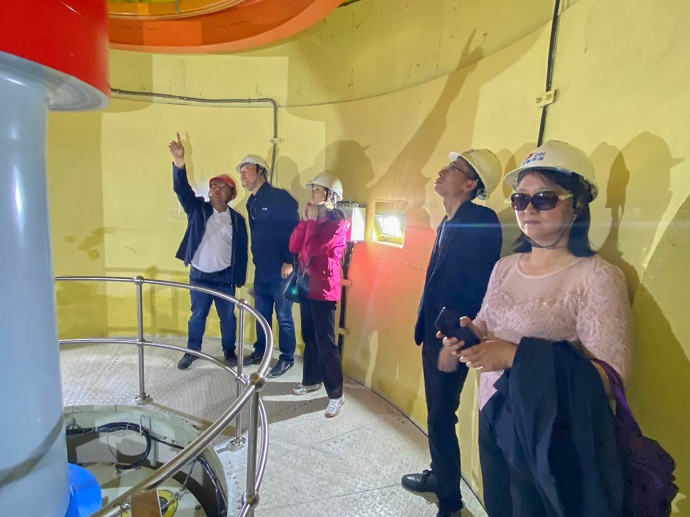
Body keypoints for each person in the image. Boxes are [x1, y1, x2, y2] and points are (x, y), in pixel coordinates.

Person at [440, 141, 633, 516]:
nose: (528, 209)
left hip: (550, 433)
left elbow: (611, 378)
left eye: (544, 199)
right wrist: (466, 335)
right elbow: (486, 321)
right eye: (520, 199)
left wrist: (514, 356)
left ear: (578, 204)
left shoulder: (597, 278)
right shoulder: (505, 267)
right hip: (493, 412)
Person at [402, 149, 503, 517]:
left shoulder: (482, 221)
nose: (442, 172)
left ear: (470, 184)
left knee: (442, 417)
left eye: (453, 168)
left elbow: (475, 293)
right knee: (437, 414)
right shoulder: (448, 222)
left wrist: (454, 345)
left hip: (452, 340)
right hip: (435, 335)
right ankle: (440, 475)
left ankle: (449, 502)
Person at [168, 133, 248, 370]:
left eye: (223, 187)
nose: (216, 189)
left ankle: (229, 351)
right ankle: (192, 351)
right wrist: (179, 161)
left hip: (225, 278)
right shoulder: (197, 209)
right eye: (214, 185)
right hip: (199, 276)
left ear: (231, 195)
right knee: (197, 316)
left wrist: (238, 278)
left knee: (228, 318)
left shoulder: (237, 220)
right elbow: (181, 189)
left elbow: (242, 252)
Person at [288, 171, 348, 418]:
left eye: (317, 190)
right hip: (306, 286)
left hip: (323, 291)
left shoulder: (337, 224)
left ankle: (336, 394)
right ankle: (311, 380)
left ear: (330, 195)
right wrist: (305, 222)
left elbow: (313, 247)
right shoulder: (313, 220)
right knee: (309, 337)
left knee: (327, 344)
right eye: (312, 190)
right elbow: (294, 245)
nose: (312, 194)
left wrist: (311, 223)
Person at [238, 155, 300, 378]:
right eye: (241, 172)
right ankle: (261, 351)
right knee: (261, 314)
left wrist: (289, 261)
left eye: (247, 170)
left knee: (283, 316)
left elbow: (293, 231)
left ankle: (287, 358)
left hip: (282, 271)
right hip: (262, 270)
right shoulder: (251, 202)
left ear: (261, 171)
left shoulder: (280, 198)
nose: (243, 176)